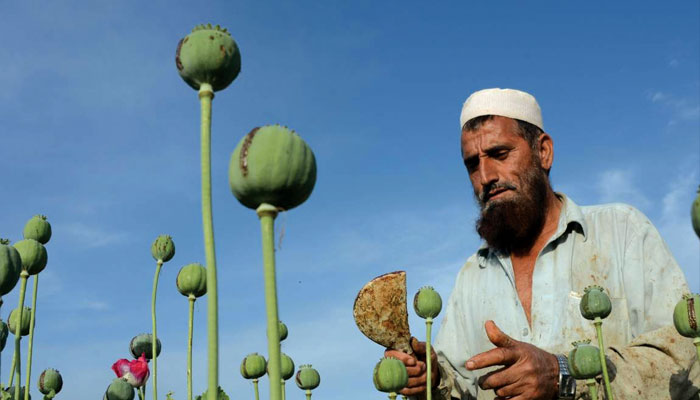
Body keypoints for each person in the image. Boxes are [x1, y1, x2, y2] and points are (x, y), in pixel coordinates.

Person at [385, 88, 699, 399]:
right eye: (472, 164)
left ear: (543, 151)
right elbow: (462, 384)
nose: (485, 175)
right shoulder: (473, 274)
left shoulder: (622, 231)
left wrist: (563, 374)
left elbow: (683, 356)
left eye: (500, 154)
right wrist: (434, 378)